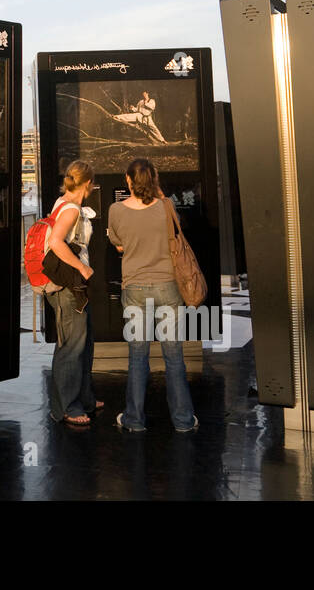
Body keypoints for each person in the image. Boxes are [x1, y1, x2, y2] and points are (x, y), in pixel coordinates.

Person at [107, 158, 197, 432]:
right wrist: (158, 194)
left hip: (134, 288)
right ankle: (182, 421)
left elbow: (117, 242)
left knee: (137, 357)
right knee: (174, 357)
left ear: (128, 180)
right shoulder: (165, 207)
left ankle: (134, 419)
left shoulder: (116, 210)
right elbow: (176, 229)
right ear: (154, 180)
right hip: (168, 287)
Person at [44, 160, 101, 426]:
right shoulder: (70, 210)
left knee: (83, 342)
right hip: (68, 286)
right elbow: (56, 242)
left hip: (71, 286)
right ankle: (67, 406)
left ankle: (84, 398)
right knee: (71, 346)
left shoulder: (62, 204)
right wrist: (82, 267)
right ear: (88, 183)